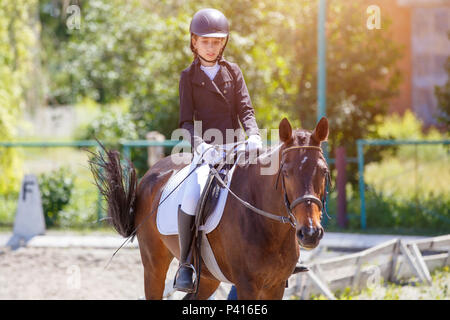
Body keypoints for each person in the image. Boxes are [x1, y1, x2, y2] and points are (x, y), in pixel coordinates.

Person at [173, 8, 263, 293]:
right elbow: (186, 122)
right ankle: (186, 264)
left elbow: (246, 110)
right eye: (205, 41)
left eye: (216, 42)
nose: (211, 47)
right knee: (191, 195)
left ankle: (282, 257)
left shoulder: (233, 71)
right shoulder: (188, 77)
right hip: (208, 150)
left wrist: (255, 135)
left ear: (223, 43)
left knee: (269, 185)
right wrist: (201, 146)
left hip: (239, 148)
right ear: (194, 42)